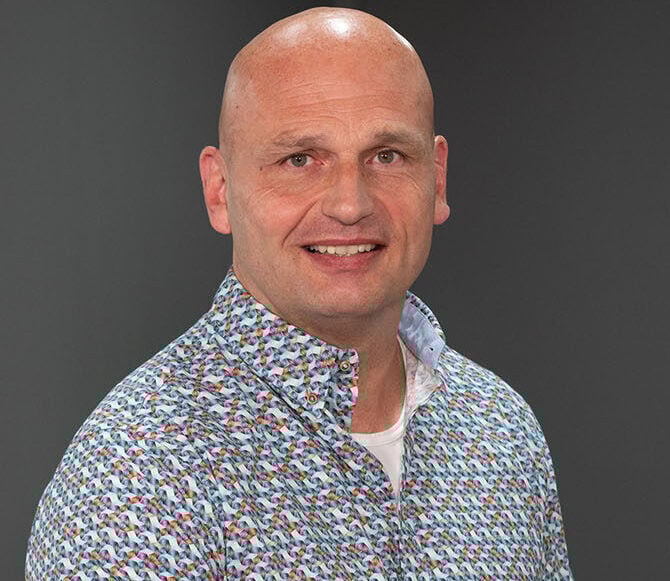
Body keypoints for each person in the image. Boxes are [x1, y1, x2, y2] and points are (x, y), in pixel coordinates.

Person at [26, 7, 572, 579]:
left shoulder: (500, 430)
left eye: (386, 156)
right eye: (300, 160)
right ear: (219, 190)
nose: (349, 204)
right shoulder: (137, 474)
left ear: (436, 178)